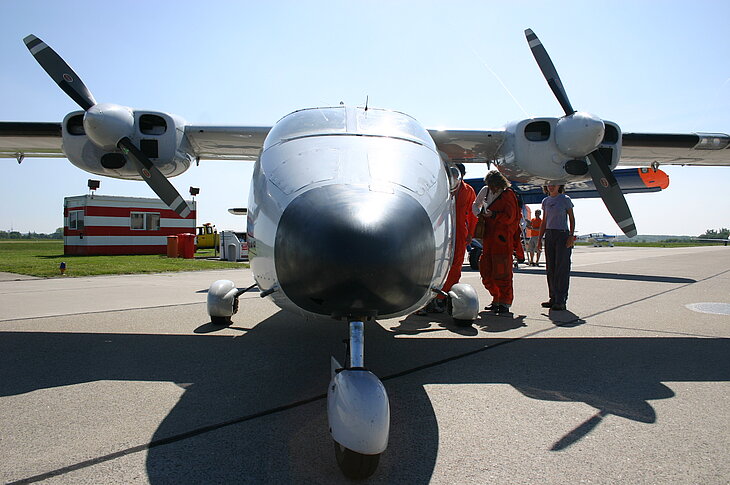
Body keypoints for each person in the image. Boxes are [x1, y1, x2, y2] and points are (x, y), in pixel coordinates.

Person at [424, 163, 477, 313]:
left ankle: (444, 297)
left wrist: (471, 234)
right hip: (442, 230)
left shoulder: (468, 191)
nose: (453, 178)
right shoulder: (441, 188)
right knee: (436, 264)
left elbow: (473, 215)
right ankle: (432, 297)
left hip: (459, 231)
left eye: (456, 175)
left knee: (456, 265)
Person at [472, 170, 521, 314]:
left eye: (494, 185)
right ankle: (496, 297)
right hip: (488, 235)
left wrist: (494, 215)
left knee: (503, 270)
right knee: (486, 269)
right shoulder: (486, 190)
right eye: (490, 185)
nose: (492, 188)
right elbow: (475, 204)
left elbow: (511, 217)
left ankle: (505, 301)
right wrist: (480, 214)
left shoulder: (508, 194)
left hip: (502, 237)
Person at [537, 184, 575, 311]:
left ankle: (561, 300)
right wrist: (539, 239)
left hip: (562, 234)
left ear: (560, 185)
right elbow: (544, 221)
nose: (551, 186)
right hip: (549, 234)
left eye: (554, 184)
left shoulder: (565, 199)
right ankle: (553, 298)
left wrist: (571, 235)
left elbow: (571, 217)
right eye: (549, 184)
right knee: (551, 268)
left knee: (561, 268)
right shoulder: (546, 201)